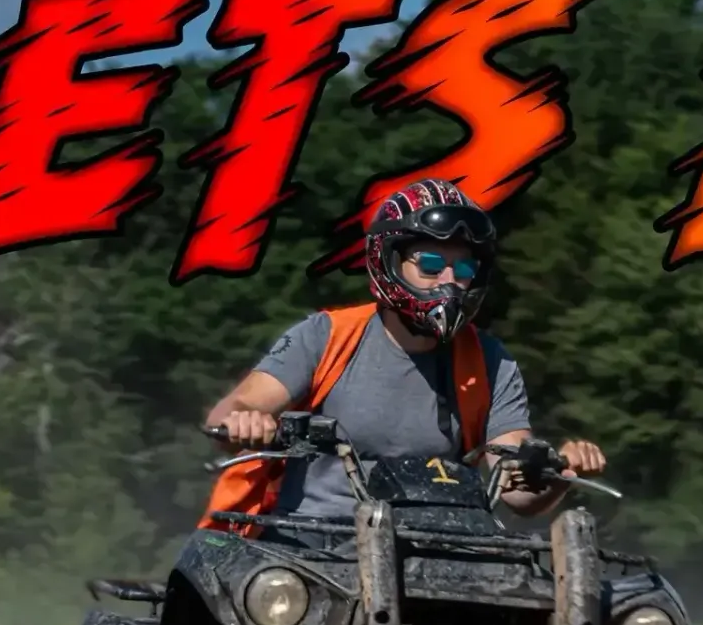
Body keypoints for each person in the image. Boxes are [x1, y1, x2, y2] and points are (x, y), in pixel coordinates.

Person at [197, 178, 605, 538]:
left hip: (440, 545)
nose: (449, 281)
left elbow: (515, 489)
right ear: (388, 262)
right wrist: (245, 420)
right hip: (315, 540)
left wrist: (558, 473)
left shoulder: (491, 361)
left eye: (464, 267)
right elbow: (232, 409)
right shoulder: (326, 335)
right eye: (430, 264)